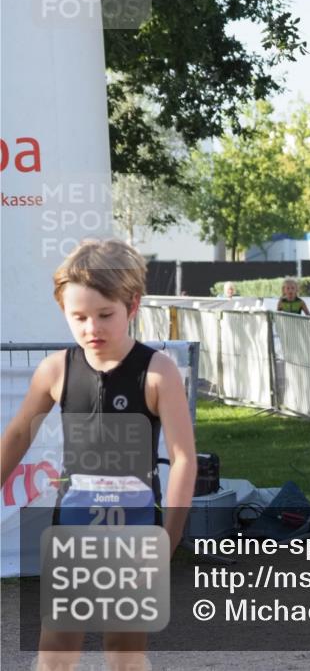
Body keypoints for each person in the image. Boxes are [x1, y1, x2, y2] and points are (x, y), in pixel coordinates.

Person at [0, 239, 196, 671]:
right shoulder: (55, 370)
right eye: (79, 317)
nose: (92, 328)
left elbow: (184, 459)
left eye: (105, 315)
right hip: (73, 531)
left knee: (125, 656)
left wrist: (171, 536)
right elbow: (16, 435)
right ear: (64, 313)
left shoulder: (158, 371)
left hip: (136, 533)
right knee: (54, 656)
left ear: (133, 305)